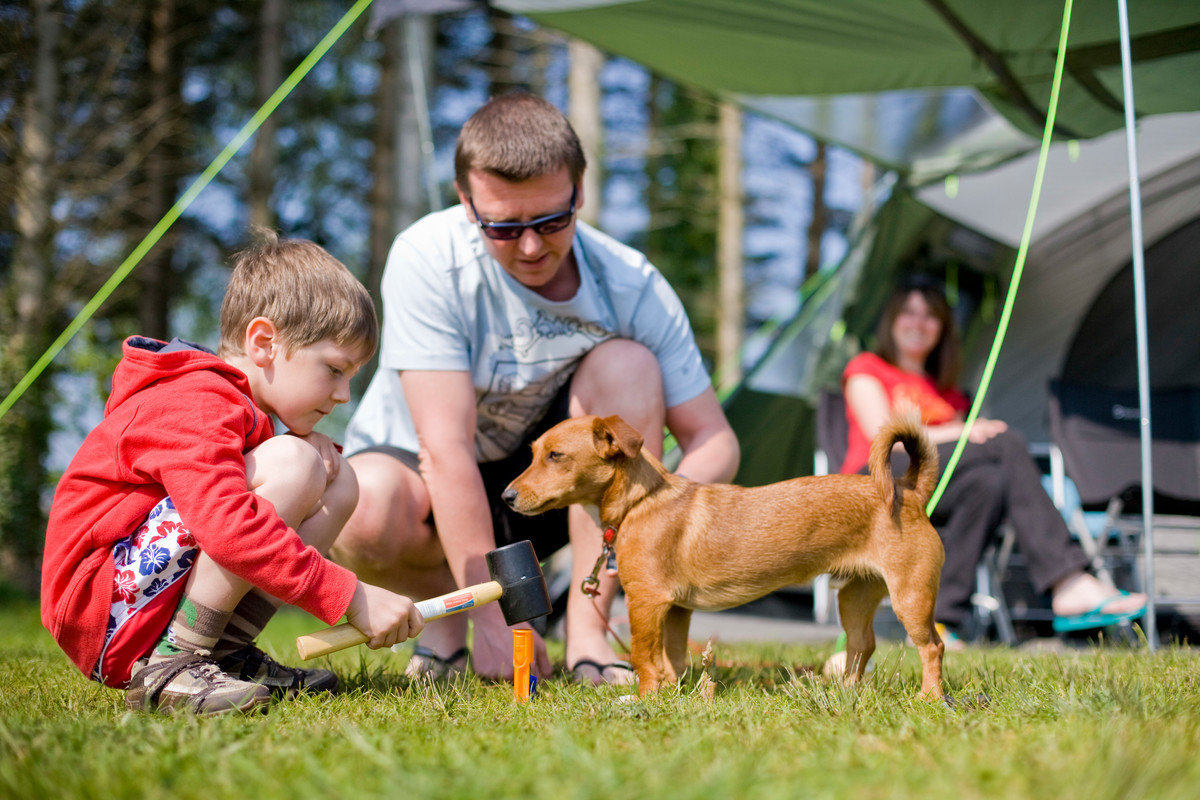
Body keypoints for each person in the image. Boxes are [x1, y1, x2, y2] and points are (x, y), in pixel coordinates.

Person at [334, 91, 740, 685]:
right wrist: (496, 620)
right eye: (503, 225)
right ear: (467, 204)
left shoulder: (631, 283)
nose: (531, 247)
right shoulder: (427, 256)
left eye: (553, 220)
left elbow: (714, 439)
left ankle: (586, 626)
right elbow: (445, 452)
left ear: (580, 191)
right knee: (363, 507)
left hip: (550, 492)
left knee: (628, 365)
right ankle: (452, 621)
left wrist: (651, 512)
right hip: (425, 490)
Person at [41, 231, 424, 715]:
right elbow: (228, 528)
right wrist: (351, 595)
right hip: (102, 611)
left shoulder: (239, 413)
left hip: (138, 596)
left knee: (336, 473)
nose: (344, 394)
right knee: (298, 463)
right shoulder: (199, 401)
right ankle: (174, 662)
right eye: (333, 369)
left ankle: (223, 655)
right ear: (264, 342)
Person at [840, 277, 1147, 642]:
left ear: (942, 329)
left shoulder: (948, 393)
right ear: (891, 320)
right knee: (1003, 441)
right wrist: (962, 431)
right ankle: (1067, 579)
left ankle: (937, 624)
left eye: (930, 316)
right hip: (873, 485)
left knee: (989, 484)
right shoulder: (868, 367)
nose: (918, 323)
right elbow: (882, 436)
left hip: (926, 488)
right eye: (909, 312)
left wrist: (962, 429)